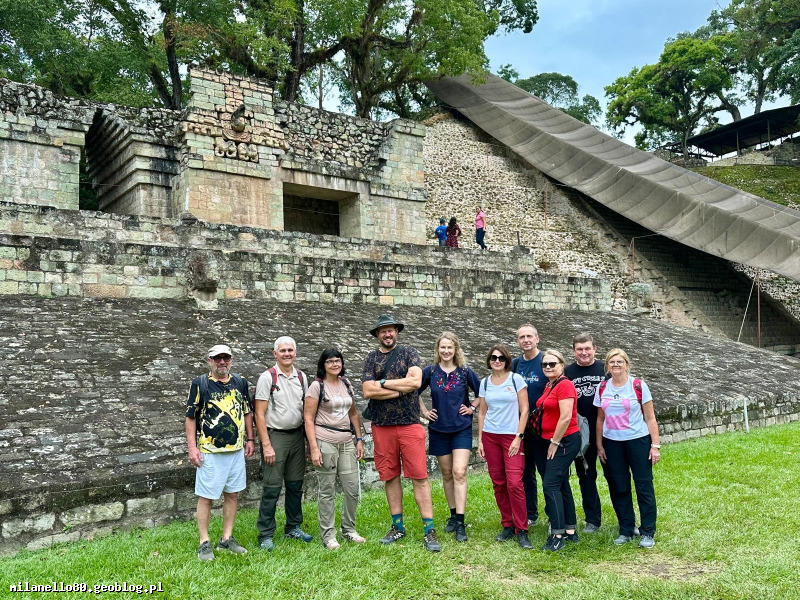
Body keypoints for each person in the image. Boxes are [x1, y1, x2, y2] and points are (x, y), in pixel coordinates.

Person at [362, 314, 441, 552]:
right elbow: (367, 390)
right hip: (382, 425)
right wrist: (399, 389)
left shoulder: (409, 353)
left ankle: (429, 529)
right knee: (390, 476)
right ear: (378, 334)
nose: (387, 334)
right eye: (383, 331)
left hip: (409, 423)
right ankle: (397, 526)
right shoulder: (371, 358)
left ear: (396, 332)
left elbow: (415, 382)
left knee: (419, 476)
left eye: (391, 330)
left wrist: (382, 383)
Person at [185, 344, 255, 561]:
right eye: (217, 358)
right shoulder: (200, 383)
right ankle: (204, 542)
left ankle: (226, 538)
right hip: (210, 450)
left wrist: (250, 439)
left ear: (231, 359)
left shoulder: (240, 382)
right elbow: (191, 417)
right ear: (210, 361)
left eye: (226, 358)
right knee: (206, 496)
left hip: (236, 450)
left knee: (232, 494)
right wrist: (192, 447)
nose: (222, 362)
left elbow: (247, 411)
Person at [595, 348, 661, 549]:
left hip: (638, 441)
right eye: (612, 362)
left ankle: (647, 531)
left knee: (643, 486)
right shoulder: (602, 387)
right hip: (612, 442)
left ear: (626, 364)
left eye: (619, 361)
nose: (616, 365)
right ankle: (626, 529)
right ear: (607, 365)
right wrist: (599, 445)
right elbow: (600, 419)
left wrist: (655, 446)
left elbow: (650, 418)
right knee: (619, 486)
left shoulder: (638, 386)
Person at [418, 332, 481, 542]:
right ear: (438, 349)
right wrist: (424, 412)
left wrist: (472, 407)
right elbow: (413, 392)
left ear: (456, 350)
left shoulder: (465, 372)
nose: (446, 351)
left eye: (450, 347)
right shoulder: (430, 371)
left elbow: (483, 392)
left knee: (459, 472)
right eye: (443, 347)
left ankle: (461, 522)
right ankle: (453, 515)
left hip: (461, 428)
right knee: (446, 473)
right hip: (438, 429)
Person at [254, 336, 313, 551]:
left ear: (295, 352)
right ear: (275, 353)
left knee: (295, 485)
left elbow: (306, 411)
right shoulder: (267, 377)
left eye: (290, 350)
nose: (287, 354)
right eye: (283, 350)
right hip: (275, 437)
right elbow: (259, 414)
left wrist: (309, 442)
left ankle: (293, 527)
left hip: (297, 436)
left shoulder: (301, 377)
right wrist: (266, 445)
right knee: (272, 487)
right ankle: (265, 534)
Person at [304, 348, 366, 549]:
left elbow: (353, 414)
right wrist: (314, 448)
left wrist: (359, 439)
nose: (335, 364)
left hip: (346, 441)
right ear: (323, 365)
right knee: (327, 490)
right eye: (330, 361)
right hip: (325, 440)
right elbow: (308, 418)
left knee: (352, 488)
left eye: (337, 361)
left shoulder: (346, 383)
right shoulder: (317, 386)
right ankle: (328, 535)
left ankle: (349, 529)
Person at [476, 344, 532, 549]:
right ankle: (507, 524)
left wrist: (518, 437)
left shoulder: (515, 379)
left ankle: (522, 529)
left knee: (515, 483)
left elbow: (525, 410)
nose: (497, 361)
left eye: (501, 358)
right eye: (493, 358)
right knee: (498, 482)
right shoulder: (485, 383)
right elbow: (482, 412)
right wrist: (480, 440)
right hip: (490, 436)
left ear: (507, 360)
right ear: (489, 361)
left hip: (511, 436)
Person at [530, 349, 581, 552]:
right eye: (545, 364)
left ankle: (557, 535)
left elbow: (566, 417)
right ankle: (570, 530)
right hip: (549, 440)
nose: (548, 367)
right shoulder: (549, 385)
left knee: (550, 485)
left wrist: (555, 442)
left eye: (552, 364)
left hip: (564, 441)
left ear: (562, 365)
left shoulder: (565, 385)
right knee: (561, 484)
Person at [564, 333, 608, 533]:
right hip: (581, 434)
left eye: (587, 348)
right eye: (579, 349)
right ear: (573, 351)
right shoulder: (567, 372)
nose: (584, 352)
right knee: (586, 477)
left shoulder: (605, 369)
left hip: (607, 431)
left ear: (594, 349)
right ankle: (593, 520)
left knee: (615, 477)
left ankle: (626, 520)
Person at [512, 324, 547, 527]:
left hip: (542, 428)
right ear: (518, 341)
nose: (526, 340)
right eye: (522, 337)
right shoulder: (515, 364)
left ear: (537, 338)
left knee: (547, 473)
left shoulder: (545, 361)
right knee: (525, 474)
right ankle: (530, 513)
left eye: (529, 336)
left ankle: (554, 514)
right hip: (521, 427)